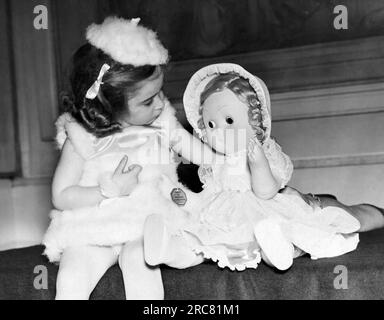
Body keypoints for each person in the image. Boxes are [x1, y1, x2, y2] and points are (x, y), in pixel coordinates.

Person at [43, 17, 222, 300]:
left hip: (146, 223)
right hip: (93, 226)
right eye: (148, 101)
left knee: (142, 261)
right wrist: (106, 191)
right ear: (109, 105)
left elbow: (206, 157)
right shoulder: (83, 137)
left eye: (160, 93)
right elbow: (62, 195)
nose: (161, 103)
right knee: (71, 276)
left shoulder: (163, 124)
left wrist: (238, 164)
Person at [144, 63, 364, 273]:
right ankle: (166, 250)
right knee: (199, 240)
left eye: (228, 119)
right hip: (222, 215)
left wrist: (259, 164)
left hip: (260, 211)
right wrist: (165, 123)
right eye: (210, 124)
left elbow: (266, 191)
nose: (218, 131)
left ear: (257, 119)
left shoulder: (264, 153)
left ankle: (278, 251)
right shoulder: (216, 159)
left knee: (273, 230)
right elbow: (185, 144)